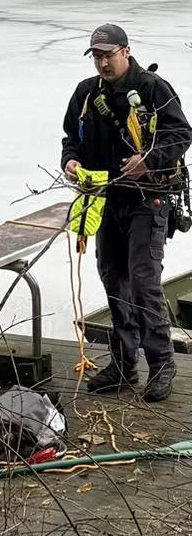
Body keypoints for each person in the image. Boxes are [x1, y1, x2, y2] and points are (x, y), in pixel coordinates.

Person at [62, 24, 191, 403]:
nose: (103, 63)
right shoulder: (86, 93)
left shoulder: (153, 88)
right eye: (97, 56)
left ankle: (162, 363)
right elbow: (71, 138)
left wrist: (147, 160)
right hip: (105, 197)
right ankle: (123, 364)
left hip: (148, 198)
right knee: (112, 276)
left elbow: (181, 134)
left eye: (109, 55)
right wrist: (70, 161)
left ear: (126, 51)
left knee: (143, 279)